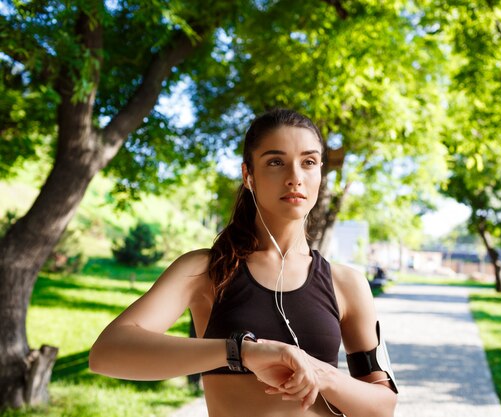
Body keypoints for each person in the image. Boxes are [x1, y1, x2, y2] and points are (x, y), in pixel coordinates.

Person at [89, 109, 398, 417]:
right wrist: (241, 352)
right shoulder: (206, 271)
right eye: (276, 162)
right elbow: (107, 354)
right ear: (248, 175)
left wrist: (320, 373)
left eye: (309, 162)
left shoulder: (345, 283)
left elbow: (382, 408)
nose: (295, 178)